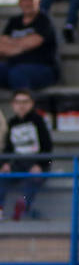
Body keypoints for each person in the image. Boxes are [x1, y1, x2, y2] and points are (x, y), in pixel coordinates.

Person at [0, 89, 54, 221]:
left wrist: (39, 165)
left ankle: (22, 206)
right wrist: (4, 164)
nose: (21, 105)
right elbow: (9, 147)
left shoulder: (38, 121)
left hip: (37, 162)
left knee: (31, 181)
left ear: (32, 104)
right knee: (2, 178)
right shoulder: (12, 123)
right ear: (13, 105)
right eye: (18, 102)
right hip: (18, 162)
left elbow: (47, 146)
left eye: (25, 102)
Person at [0, 0, 60, 91]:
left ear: (39, 2)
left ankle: (24, 105)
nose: (27, 3)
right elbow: (2, 47)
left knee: (18, 73)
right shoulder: (14, 21)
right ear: (19, 2)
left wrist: (11, 44)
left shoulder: (44, 21)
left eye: (31, 0)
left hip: (42, 68)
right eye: (24, 0)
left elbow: (33, 42)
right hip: (13, 66)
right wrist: (22, 44)